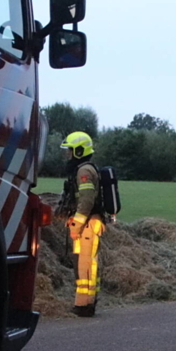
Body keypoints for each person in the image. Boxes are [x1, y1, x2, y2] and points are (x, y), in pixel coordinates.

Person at [59, 131, 106, 317]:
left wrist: (76, 225)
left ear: (79, 151)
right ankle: (85, 302)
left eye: (70, 151)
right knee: (82, 263)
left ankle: (85, 305)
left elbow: (86, 201)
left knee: (86, 265)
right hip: (86, 224)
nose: (67, 155)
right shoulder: (83, 169)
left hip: (88, 224)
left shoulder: (84, 172)